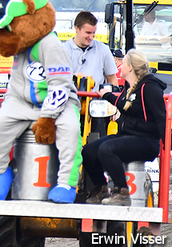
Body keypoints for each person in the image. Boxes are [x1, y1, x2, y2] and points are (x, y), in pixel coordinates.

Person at [82, 49, 166, 206]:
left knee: (107, 149)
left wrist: (168, 145)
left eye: (123, 63)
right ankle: (101, 188)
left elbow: (161, 118)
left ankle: (122, 191)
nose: (119, 66)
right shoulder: (130, 88)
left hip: (146, 141)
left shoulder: (150, 87)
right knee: (88, 151)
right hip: (128, 136)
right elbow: (124, 105)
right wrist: (106, 95)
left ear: (130, 68)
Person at [63, 11, 118, 89]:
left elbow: (112, 80)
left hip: (96, 99)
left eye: (93, 33)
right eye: (88, 33)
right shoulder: (63, 50)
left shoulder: (103, 50)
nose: (91, 37)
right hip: (70, 98)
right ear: (77, 28)